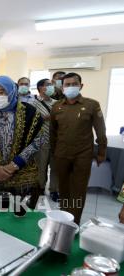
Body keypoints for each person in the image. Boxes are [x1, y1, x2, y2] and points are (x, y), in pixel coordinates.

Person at [0, 76, 43, 208]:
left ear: (12, 91)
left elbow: (38, 140)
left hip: (22, 175)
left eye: (1, 92)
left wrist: (14, 166)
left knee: (18, 215)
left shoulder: (30, 112)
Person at [50, 72, 107, 224]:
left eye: (74, 84)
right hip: (61, 155)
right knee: (64, 189)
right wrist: (53, 153)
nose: (70, 87)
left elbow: (100, 130)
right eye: (67, 85)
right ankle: (64, 219)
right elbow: (53, 132)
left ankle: (74, 223)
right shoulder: (56, 107)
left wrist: (102, 152)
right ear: (62, 88)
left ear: (81, 86)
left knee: (78, 191)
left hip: (82, 155)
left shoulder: (91, 105)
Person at [31, 79, 59, 201]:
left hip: (57, 140)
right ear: (40, 88)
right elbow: (30, 121)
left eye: (52, 85)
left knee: (55, 167)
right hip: (41, 140)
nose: (51, 87)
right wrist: (44, 118)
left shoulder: (58, 103)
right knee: (41, 166)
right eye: (48, 85)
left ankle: (54, 190)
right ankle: (40, 188)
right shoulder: (34, 103)